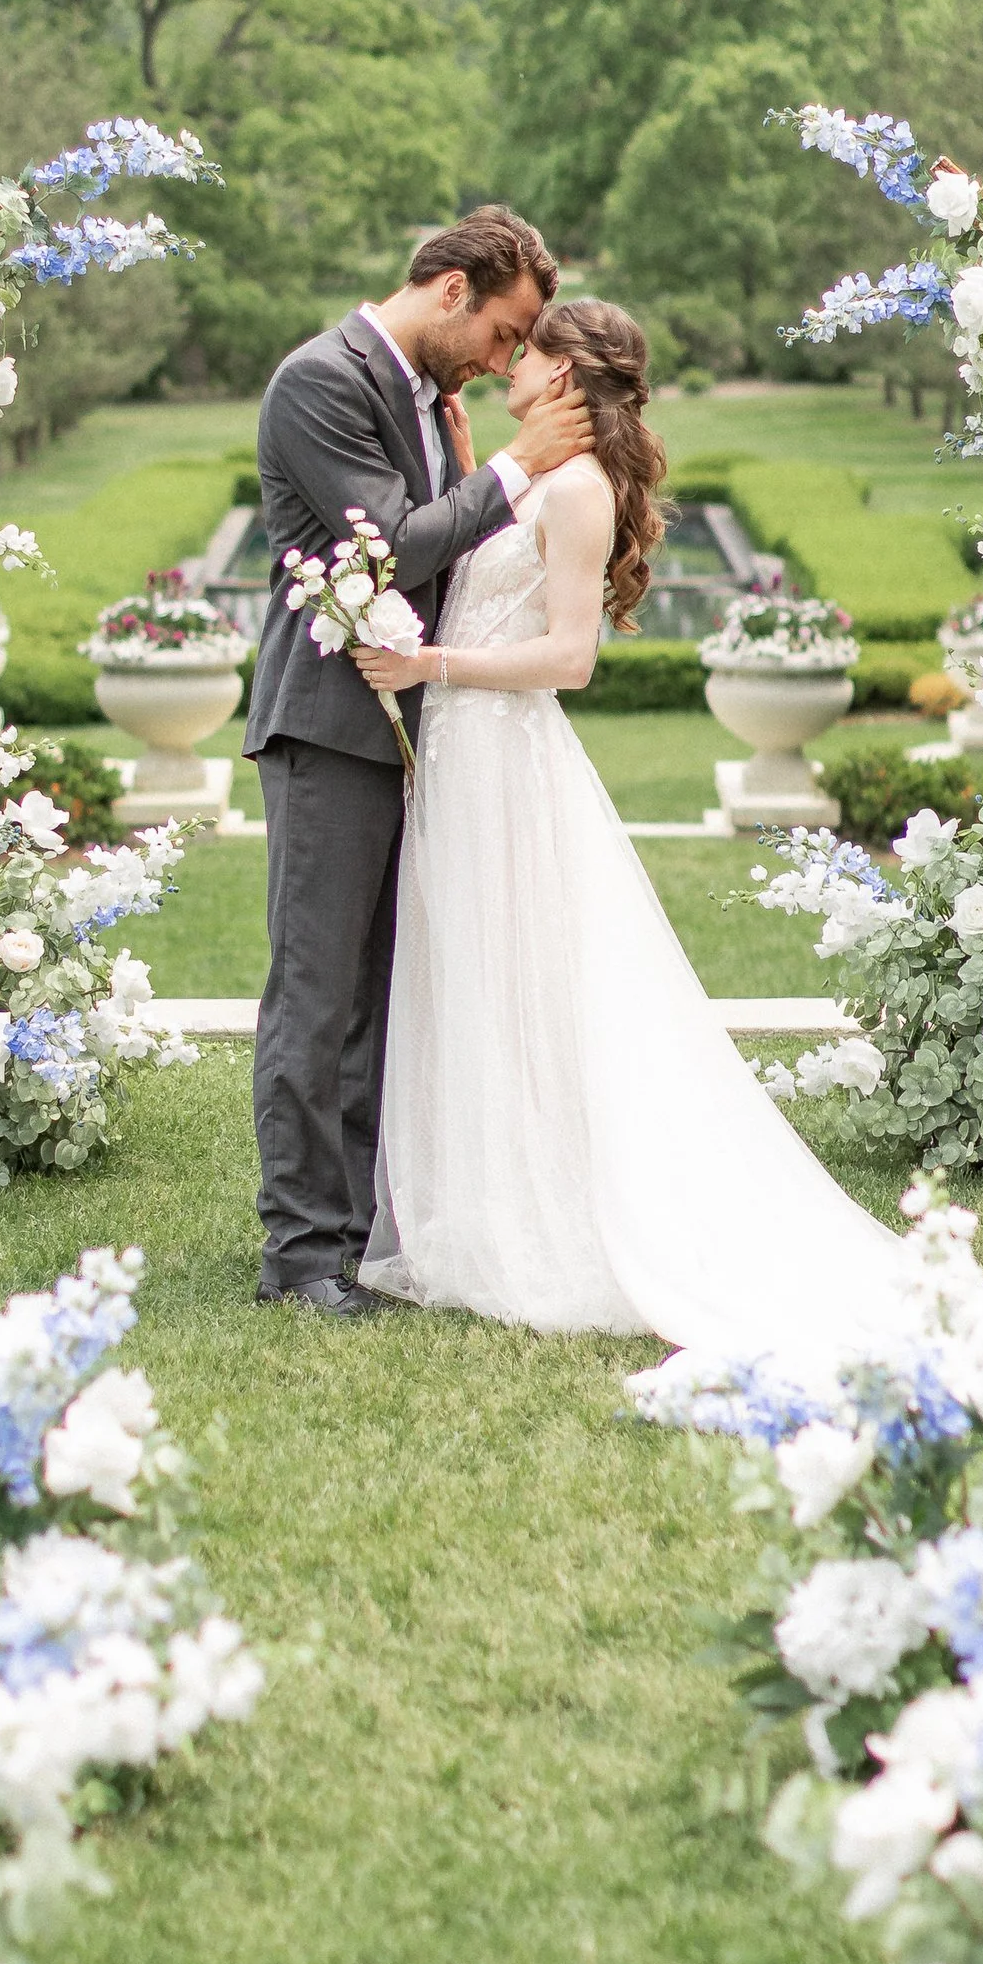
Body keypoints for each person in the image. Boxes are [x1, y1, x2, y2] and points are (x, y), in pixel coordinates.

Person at [352, 296, 909, 1351]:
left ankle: (535, 1213)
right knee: (473, 973)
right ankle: (477, 1196)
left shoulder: (578, 490)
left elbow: (569, 659)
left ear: (562, 374)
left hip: (504, 755)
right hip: (462, 756)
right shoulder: (530, 474)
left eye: (526, 350)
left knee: (518, 977)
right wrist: (476, 459)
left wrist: (430, 666)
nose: (507, 359)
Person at [244, 209, 593, 1313]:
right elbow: (383, 539)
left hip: (420, 730)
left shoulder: (428, 399)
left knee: (376, 998)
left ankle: (351, 1237)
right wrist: (515, 468)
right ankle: (297, 1257)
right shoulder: (321, 381)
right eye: (505, 330)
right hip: (329, 724)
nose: (505, 360)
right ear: (451, 291)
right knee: (316, 990)